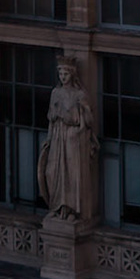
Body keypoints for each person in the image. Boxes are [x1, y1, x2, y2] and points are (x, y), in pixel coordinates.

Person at [35, 56, 97, 221]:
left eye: (66, 74)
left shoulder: (79, 94)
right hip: (57, 136)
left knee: (71, 174)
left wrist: (80, 122)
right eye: (60, 74)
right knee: (52, 171)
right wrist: (49, 138)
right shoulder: (55, 93)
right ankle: (56, 207)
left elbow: (88, 119)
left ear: (72, 75)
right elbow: (51, 118)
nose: (63, 77)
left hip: (72, 138)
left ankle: (71, 210)